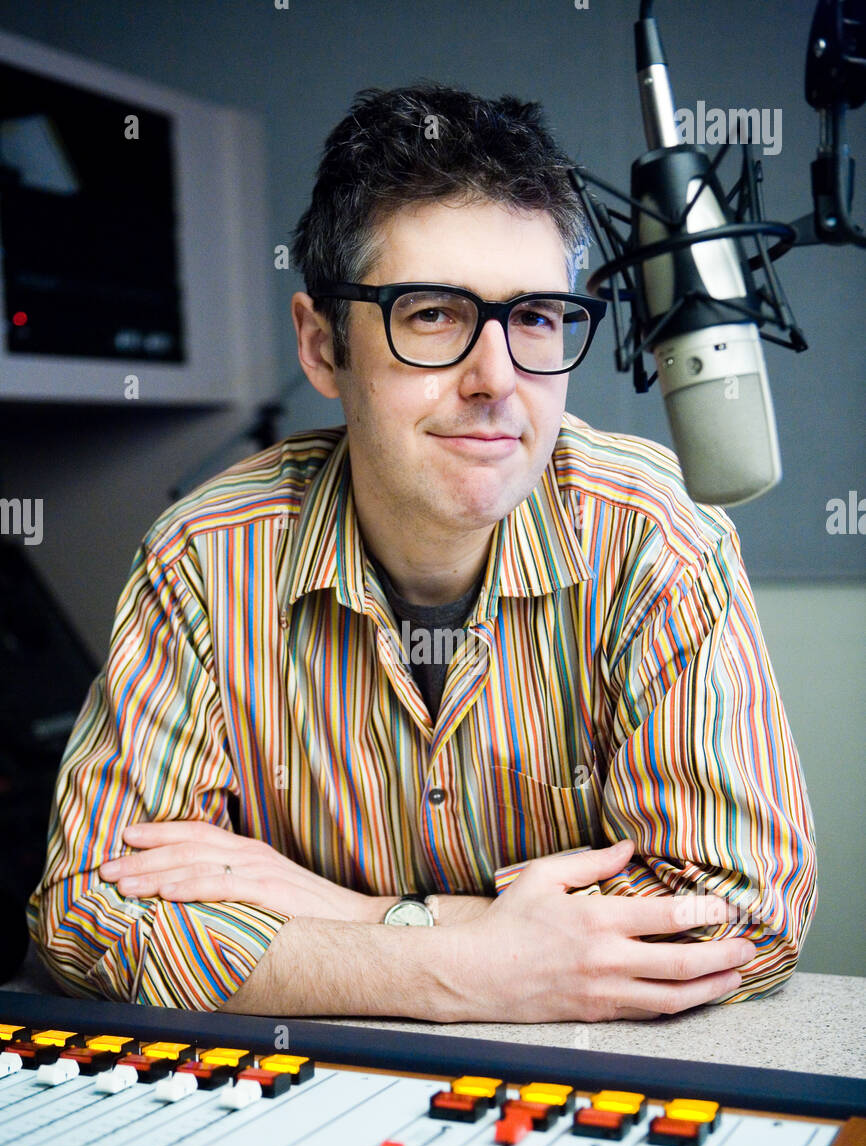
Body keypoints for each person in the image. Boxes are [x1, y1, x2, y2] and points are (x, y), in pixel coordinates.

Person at [28, 83, 817, 1022]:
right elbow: (89, 909)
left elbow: (745, 909)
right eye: (433, 314)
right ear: (324, 346)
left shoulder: (655, 537)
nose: (498, 381)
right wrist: (471, 964)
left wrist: (366, 919)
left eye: (533, 318)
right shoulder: (203, 556)